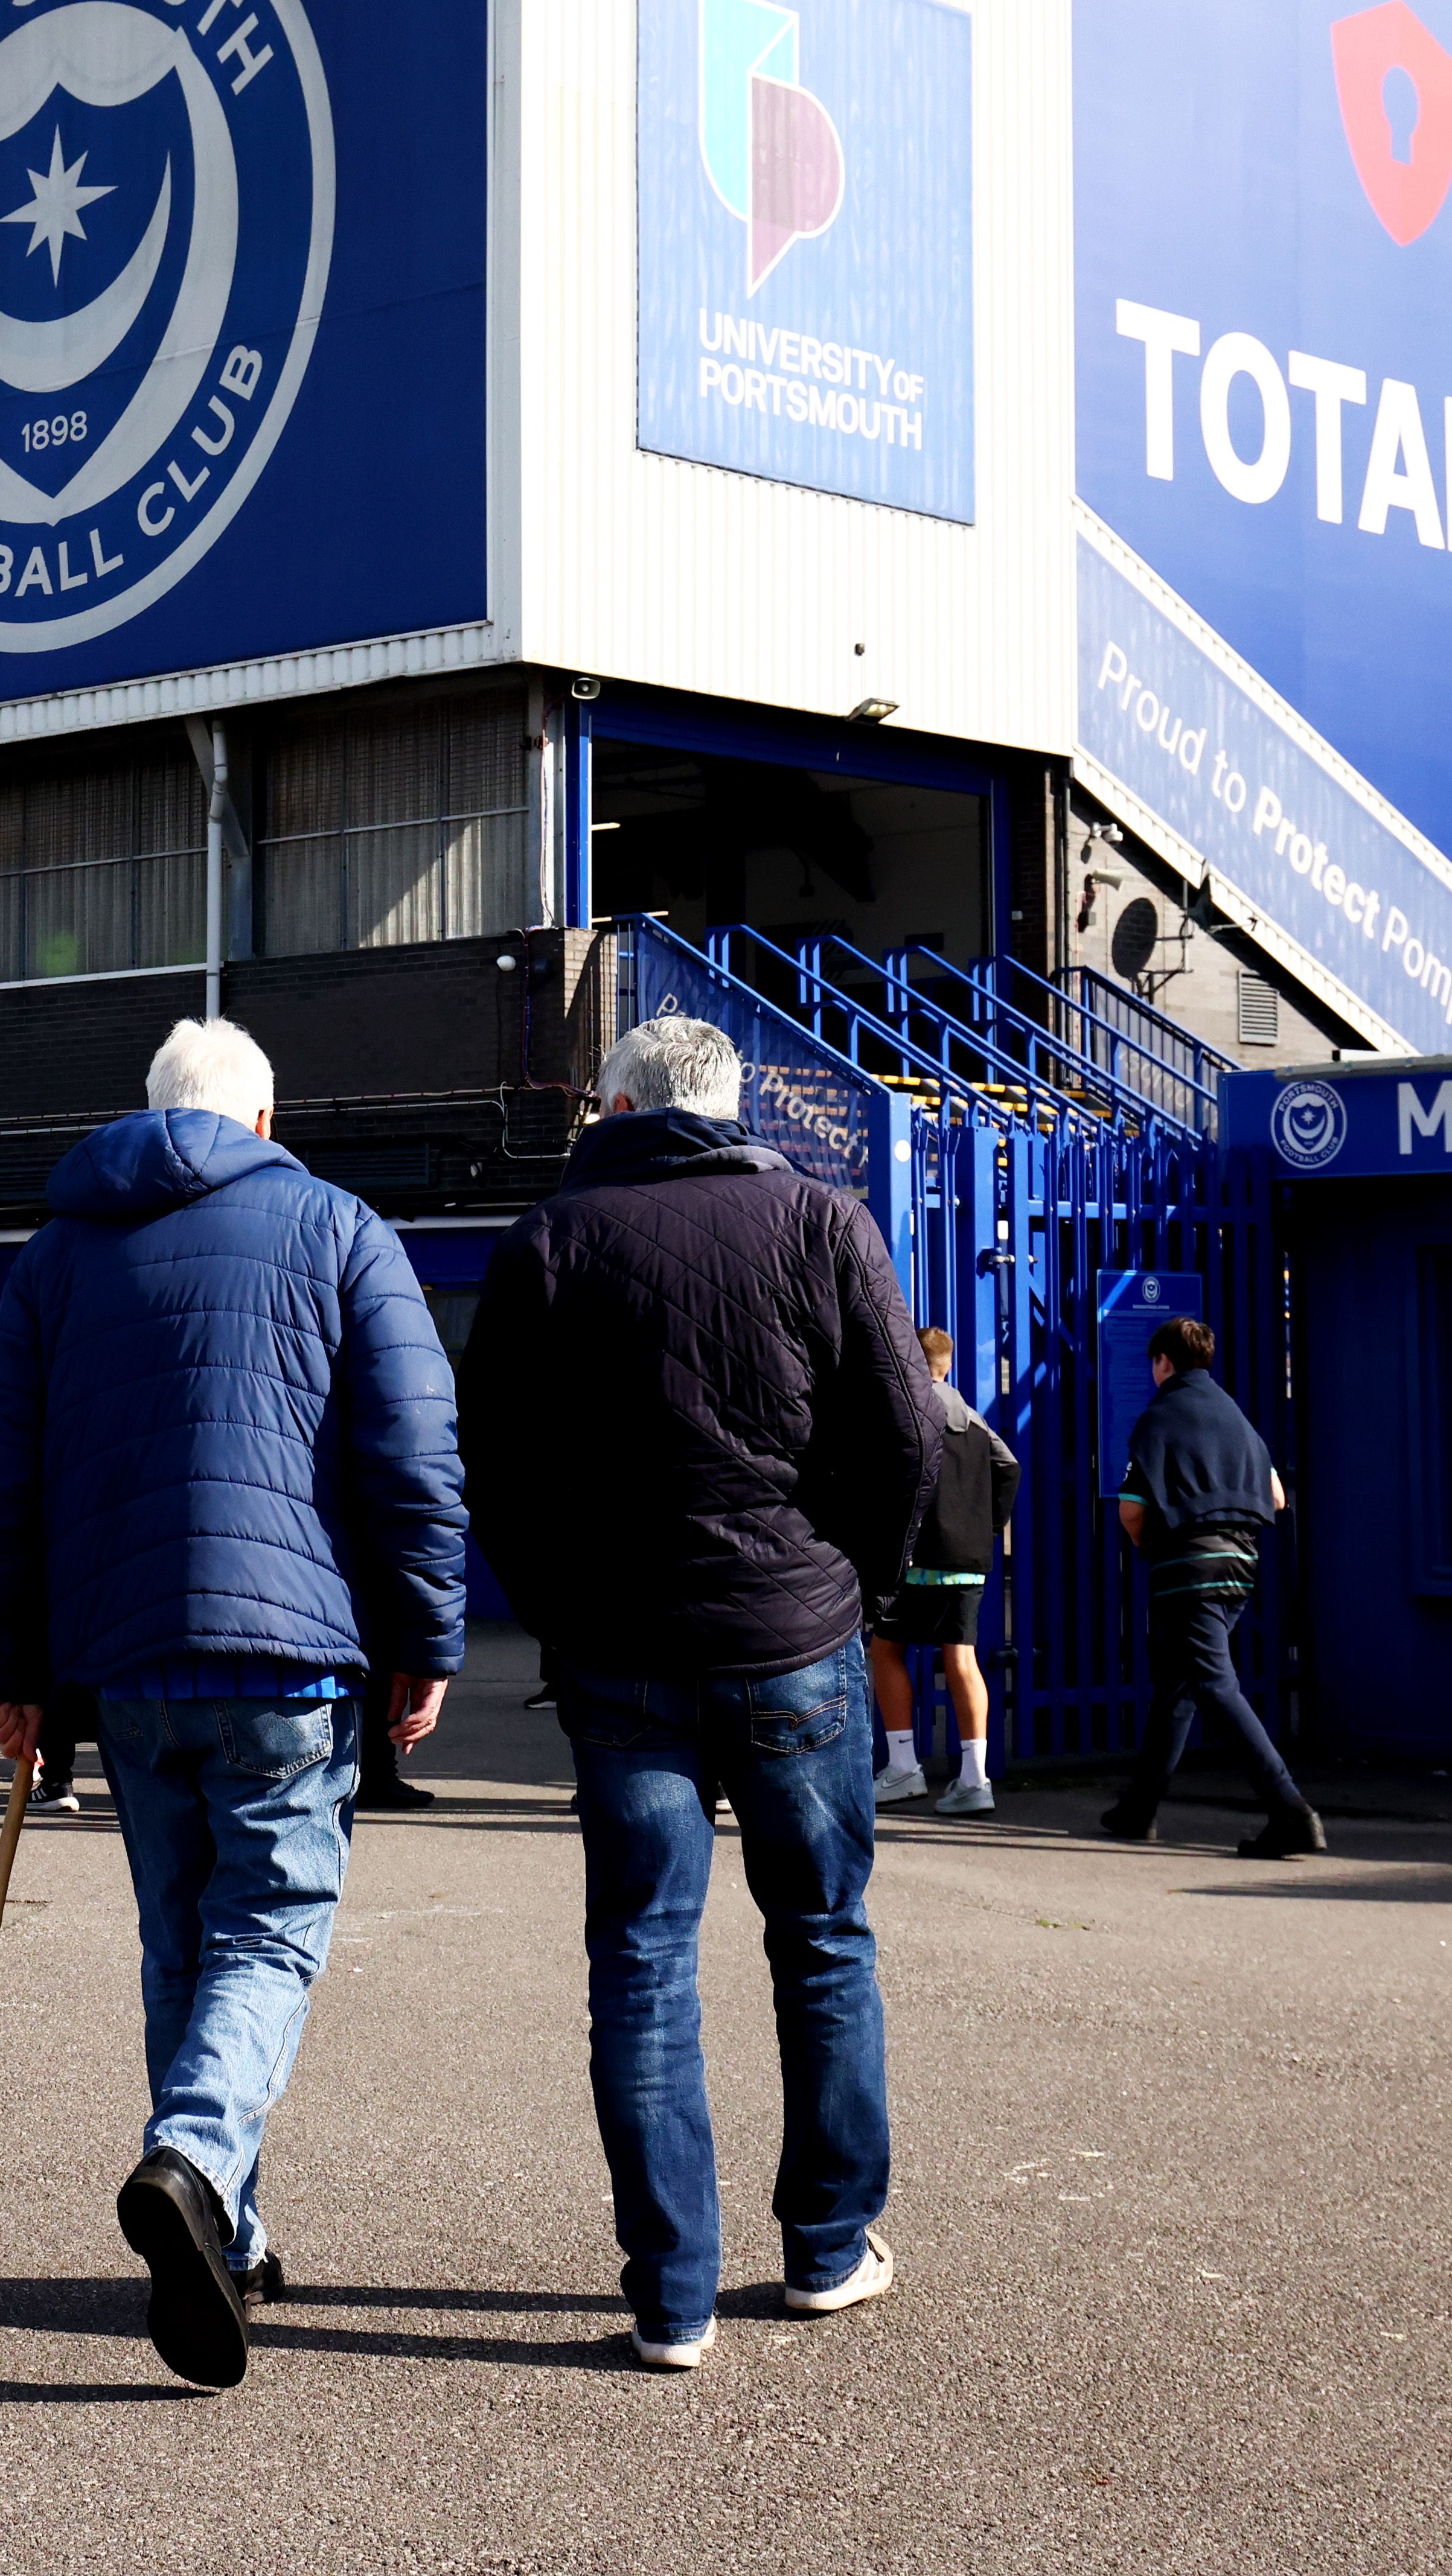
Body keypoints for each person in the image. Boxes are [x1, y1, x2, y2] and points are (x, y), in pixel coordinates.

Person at [0, 1016, 467, 2389]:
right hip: (292, 1652)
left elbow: (0, 1480)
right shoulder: (339, 1226)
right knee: (272, 1931)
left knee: (179, 1937)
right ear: (261, 1119)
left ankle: (223, 2231)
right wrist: (425, 1638)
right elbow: (412, 1448)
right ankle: (192, 2152)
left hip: (126, 1661)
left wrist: (8, 1668)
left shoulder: (58, 1255)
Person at [456, 1015, 940, 2369]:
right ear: (732, 1105)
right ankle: (829, 2250)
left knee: (643, 1965)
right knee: (824, 1941)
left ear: (612, 1102)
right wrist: (860, 1577)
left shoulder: (552, 1238)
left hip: (620, 1655)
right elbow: (904, 1429)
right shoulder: (818, 1218)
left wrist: (557, 1608)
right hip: (795, 1636)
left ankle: (670, 2297)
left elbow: (490, 1462)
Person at [1101, 1317, 1324, 1860]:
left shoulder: (1159, 1418)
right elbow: (1276, 1497)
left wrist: (1153, 1544)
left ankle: (1290, 1809)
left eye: (1153, 1364)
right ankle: (1141, 1809)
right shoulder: (1237, 1418)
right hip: (1239, 1566)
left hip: (1187, 1571)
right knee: (1179, 1689)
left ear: (1163, 1363)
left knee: (1217, 1688)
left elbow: (1132, 1512)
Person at [867, 1325, 1017, 1817]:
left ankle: (904, 1768)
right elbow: (1009, 1467)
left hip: (916, 1558)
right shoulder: (973, 1420)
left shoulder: (908, 1412)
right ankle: (975, 1779)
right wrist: (987, 1525)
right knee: (963, 1660)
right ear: (948, 1364)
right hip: (968, 1559)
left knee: (886, 1650)